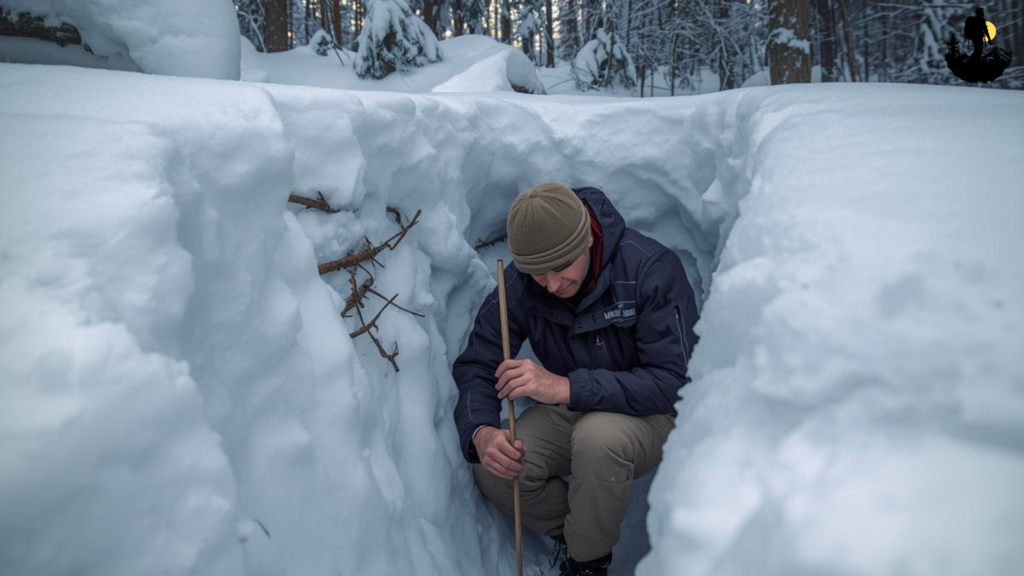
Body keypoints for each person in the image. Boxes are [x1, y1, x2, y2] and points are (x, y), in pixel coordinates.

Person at [452, 184, 699, 576]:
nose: (551, 284)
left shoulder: (650, 269)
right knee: (494, 469)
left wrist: (564, 387)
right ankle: (580, 534)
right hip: (571, 408)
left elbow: (675, 382)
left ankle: (587, 565)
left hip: (649, 412)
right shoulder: (519, 284)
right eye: (537, 274)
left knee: (598, 439)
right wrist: (481, 431)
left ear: (586, 238)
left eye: (560, 267)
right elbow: (477, 364)